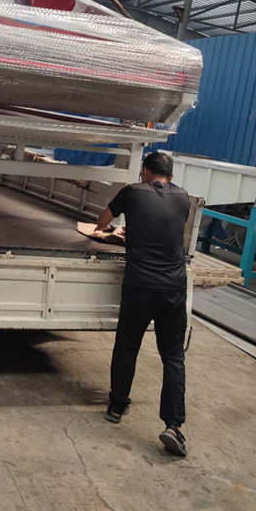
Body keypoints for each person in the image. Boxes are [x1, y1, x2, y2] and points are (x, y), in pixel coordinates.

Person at [95, 151, 190, 457]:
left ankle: (117, 406)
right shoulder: (183, 197)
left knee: (127, 345)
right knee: (173, 356)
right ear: (170, 177)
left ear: (145, 172)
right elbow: (166, 226)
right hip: (173, 287)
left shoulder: (132, 192)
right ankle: (173, 425)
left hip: (140, 285)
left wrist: (114, 232)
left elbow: (102, 221)